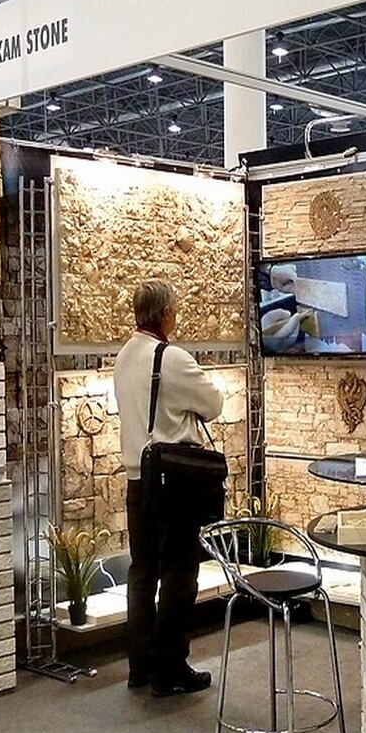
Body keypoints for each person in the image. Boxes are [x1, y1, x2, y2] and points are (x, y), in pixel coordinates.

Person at [113, 279, 224, 696]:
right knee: (179, 575)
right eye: (174, 309)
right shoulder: (171, 358)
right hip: (173, 484)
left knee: (142, 576)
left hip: (137, 482)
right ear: (164, 314)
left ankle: (139, 667)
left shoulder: (124, 356)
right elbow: (213, 404)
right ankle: (170, 669)